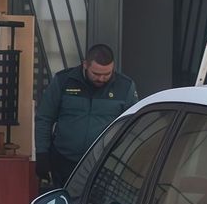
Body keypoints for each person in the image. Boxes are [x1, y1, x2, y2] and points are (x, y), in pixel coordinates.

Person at [34, 44, 137, 189]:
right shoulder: (63, 81)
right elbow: (44, 118)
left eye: (107, 74)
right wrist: (42, 153)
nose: (101, 79)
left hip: (103, 164)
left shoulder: (125, 87)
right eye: (96, 74)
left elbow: (132, 127)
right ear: (85, 65)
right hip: (63, 161)